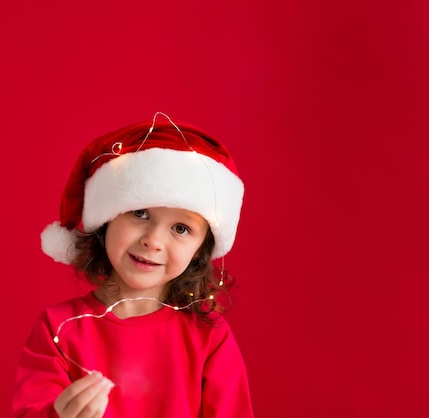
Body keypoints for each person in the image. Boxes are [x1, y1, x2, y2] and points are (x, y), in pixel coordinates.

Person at [13, 112, 254, 417]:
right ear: (106, 219)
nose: (153, 241)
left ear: (200, 250)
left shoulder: (210, 337)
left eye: (180, 229)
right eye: (140, 213)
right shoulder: (57, 329)